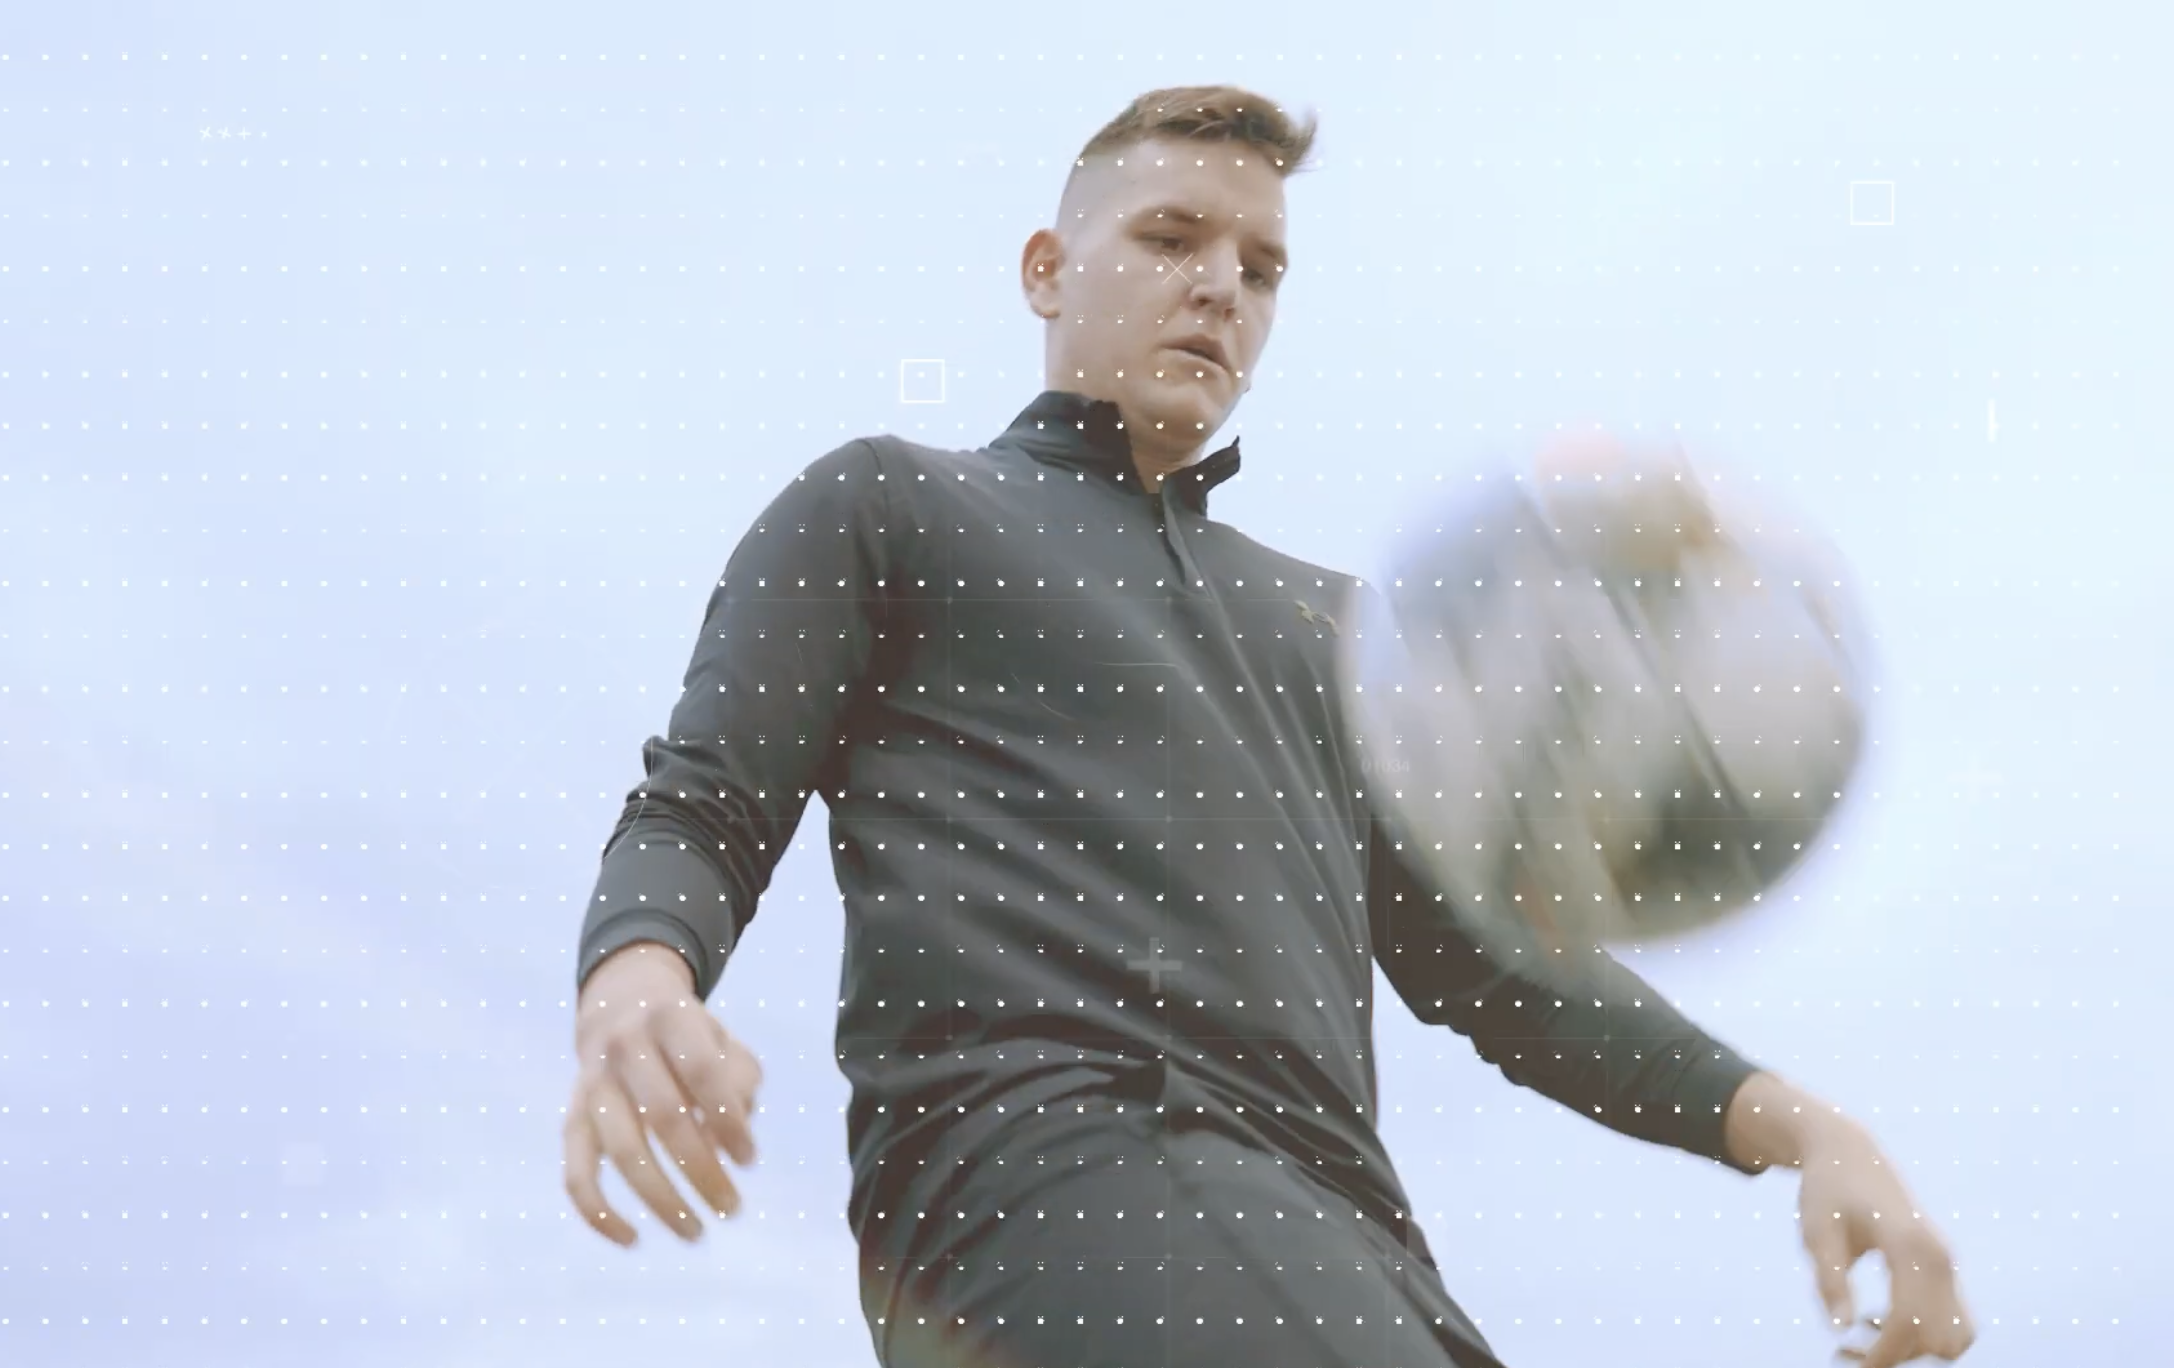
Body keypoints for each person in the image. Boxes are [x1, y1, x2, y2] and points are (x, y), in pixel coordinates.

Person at [563, 85, 1978, 1368]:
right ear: (1047, 270)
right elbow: (703, 797)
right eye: (1171, 238)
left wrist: (1805, 1128)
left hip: (1343, 1234)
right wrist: (636, 982)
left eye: (1260, 268)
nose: (1219, 288)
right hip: (1058, 1169)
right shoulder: (894, 506)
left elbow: (1510, 973)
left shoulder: (1347, 636)